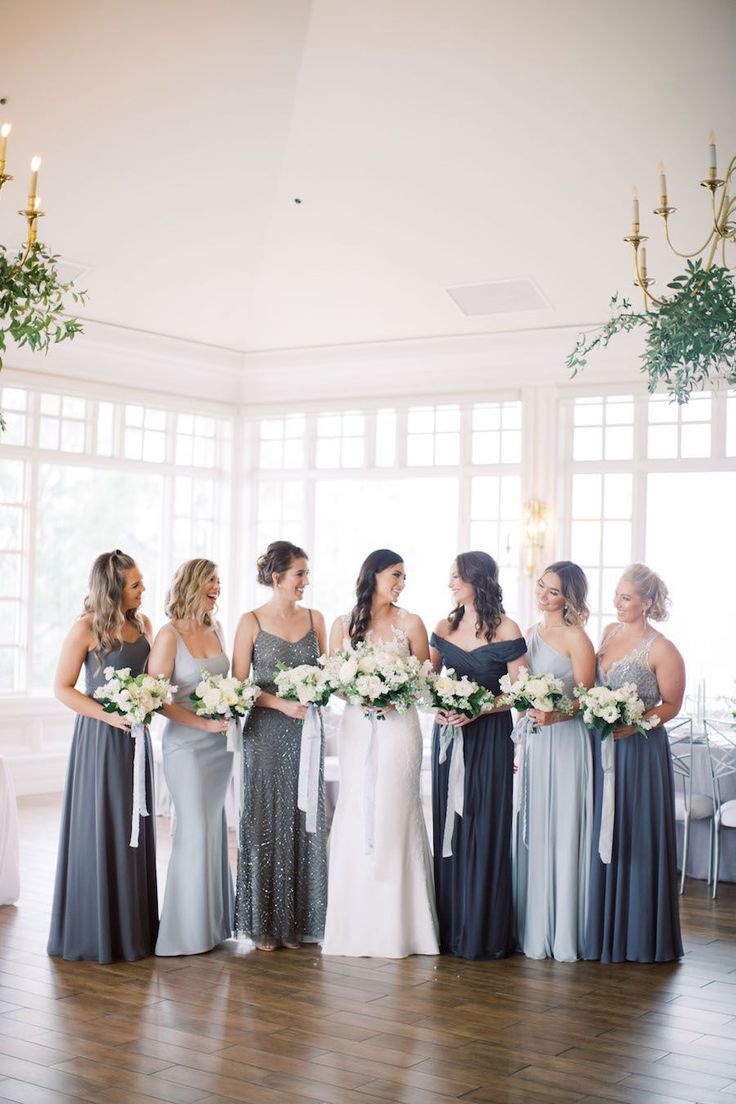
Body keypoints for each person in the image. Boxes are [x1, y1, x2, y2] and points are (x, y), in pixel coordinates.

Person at [322, 549, 439, 958]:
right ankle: (354, 924)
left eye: (404, 576)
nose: (401, 583)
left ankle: (404, 928)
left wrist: (395, 694)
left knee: (395, 808)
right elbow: (335, 682)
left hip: (399, 728)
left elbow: (427, 682)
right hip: (357, 727)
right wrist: (358, 691)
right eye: (395, 574)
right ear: (372, 574)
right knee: (356, 808)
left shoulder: (412, 623)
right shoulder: (342, 624)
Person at [48, 550, 158, 962]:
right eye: (135, 584)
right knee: (104, 824)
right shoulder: (85, 629)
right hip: (99, 739)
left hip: (136, 739)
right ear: (113, 589)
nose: (143, 589)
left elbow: (153, 678)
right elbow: (62, 687)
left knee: (136, 821)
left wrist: (147, 703)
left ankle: (134, 930)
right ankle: (94, 930)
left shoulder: (144, 624)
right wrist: (108, 716)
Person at [584, 563, 685, 963]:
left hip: (640, 751)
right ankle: (604, 931)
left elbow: (672, 704)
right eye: (616, 596)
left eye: (626, 598)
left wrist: (636, 723)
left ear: (647, 602)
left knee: (635, 833)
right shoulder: (609, 634)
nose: (617, 603)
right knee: (605, 828)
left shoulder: (661, 648)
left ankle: (641, 935)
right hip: (603, 745)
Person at [430, 551, 526, 960]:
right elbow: (428, 683)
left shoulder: (507, 627)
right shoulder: (443, 626)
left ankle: (484, 931)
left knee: (486, 826)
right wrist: (438, 706)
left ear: (478, 580)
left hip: (490, 736)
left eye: (457, 576)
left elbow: (521, 691)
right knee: (450, 825)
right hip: (450, 736)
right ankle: (450, 928)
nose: (451, 583)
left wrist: (480, 709)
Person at [232, 541, 328, 950]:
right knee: (266, 819)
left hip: (306, 732)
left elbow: (329, 674)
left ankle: (298, 922)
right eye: (299, 574)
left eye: (306, 574)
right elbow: (238, 686)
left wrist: (316, 696)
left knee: (303, 815)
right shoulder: (250, 621)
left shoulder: (315, 618)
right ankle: (264, 923)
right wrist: (278, 703)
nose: (305, 582)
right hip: (266, 734)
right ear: (277, 577)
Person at [149, 559, 234, 956]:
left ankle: (212, 926)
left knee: (213, 828)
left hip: (219, 746)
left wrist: (231, 706)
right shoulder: (168, 636)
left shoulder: (216, 627)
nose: (216, 587)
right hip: (185, 744)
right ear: (191, 586)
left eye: (218, 581)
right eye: (210, 582)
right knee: (194, 828)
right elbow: (156, 700)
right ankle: (183, 933)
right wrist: (202, 725)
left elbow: (227, 682)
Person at [513, 561, 595, 961]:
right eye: (541, 587)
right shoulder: (531, 634)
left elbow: (587, 700)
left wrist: (554, 714)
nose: (542, 596)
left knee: (563, 826)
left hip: (565, 742)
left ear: (569, 598)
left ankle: (563, 930)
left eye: (553, 592)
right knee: (536, 823)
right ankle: (534, 924)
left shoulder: (577, 638)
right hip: (535, 742)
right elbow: (521, 691)